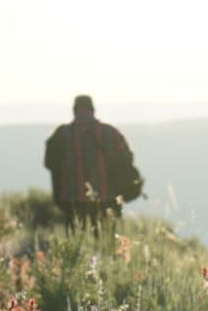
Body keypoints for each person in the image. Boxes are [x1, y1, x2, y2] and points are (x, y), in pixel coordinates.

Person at [43, 95, 140, 231]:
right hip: (108, 198)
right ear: (93, 110)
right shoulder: (110, 132)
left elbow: (49, 163)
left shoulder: (61, 134)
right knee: (107, 243)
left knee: (76, 244)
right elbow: (127, 159)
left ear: (74, 110)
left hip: (71, 200)